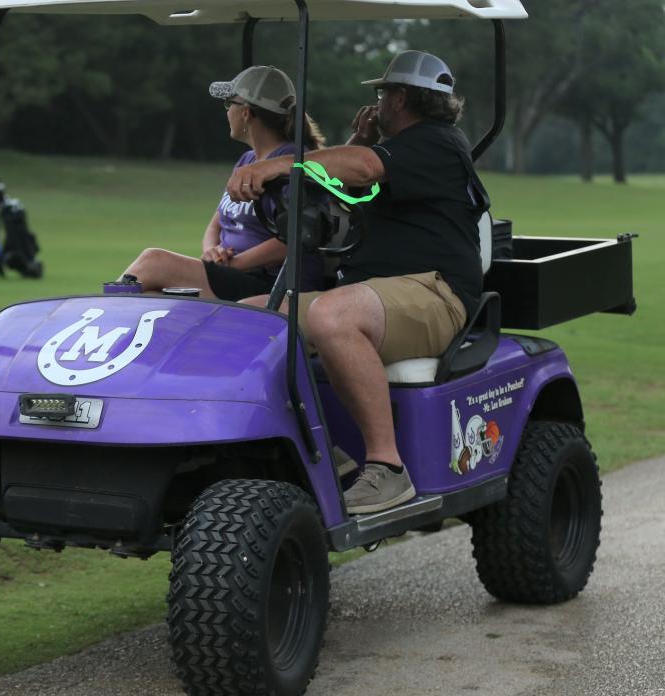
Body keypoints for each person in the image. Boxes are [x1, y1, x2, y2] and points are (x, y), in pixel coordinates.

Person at [228, 51, 490, 514]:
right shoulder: (398, 155)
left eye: (383, 93)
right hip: (380, 293)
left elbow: (364, 169)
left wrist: (276, 165)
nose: (378, 102)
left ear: (402, 98)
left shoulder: (436, 142)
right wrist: (356, 140)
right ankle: (324, 457)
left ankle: (388, 470)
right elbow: (342, 187)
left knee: (332, 315)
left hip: (435, 291)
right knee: (247, 317)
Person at [121, 65, 326, 300]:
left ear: (246, 112)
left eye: (230, 104)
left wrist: (232, 264)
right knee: (151, 296)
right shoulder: (247, 161)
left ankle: (98, 324)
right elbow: (215, 225)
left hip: (274, 283)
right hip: (236, 274)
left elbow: (297, 240)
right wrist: (212, 253)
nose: (227, 111)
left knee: (153, 261)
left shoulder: (294, 163)